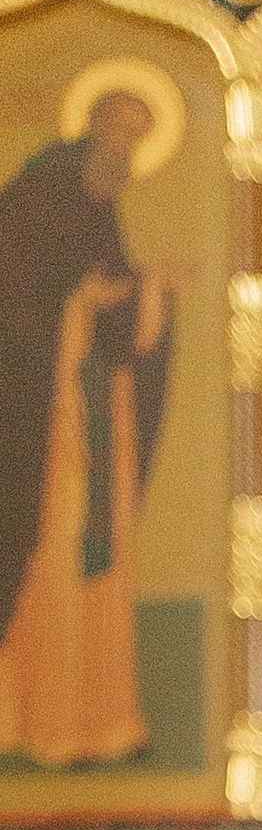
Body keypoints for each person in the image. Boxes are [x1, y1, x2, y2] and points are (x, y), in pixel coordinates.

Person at [0, 81, 174, 770]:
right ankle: (42, 724)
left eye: (138, 139)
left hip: (99, 410)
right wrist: (76, 302)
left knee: (100, 564)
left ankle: (103, 722)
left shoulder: (99, 208)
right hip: (46, 421)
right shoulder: (37, 196)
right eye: (120, 133)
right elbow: (18, 299)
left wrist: (148, 289)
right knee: (52, 555)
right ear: (93, 128)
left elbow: (116, 307)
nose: (126, 152)